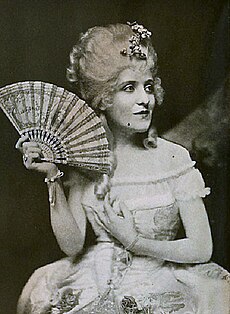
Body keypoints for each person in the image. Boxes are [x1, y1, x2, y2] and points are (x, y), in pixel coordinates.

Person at [16, 23, 229, 314]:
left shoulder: (173, 159)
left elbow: (202, 248)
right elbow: (72, 245)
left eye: (149, 86)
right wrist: (53, 175)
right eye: (129, 88)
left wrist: (135, 241)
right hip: (94, 279)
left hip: (162, 282)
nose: (145, 99)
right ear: (103, 98)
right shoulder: (88, 160)